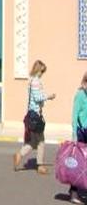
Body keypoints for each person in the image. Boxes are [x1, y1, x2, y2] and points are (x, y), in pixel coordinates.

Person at [14, 59, 56, 174]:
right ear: (38, 70)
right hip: (36, 115)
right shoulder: (36, 81)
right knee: (41, 141)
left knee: (33, 142)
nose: (42, 74)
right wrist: (49, 97)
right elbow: (37, 98)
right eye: (42, 71)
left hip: (31, 114)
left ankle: (19, 154)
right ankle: (40, 166)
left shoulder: (31, 80)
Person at [68, 72, 87, 204]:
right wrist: (74, 135)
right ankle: (74, 193)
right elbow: (74, 116)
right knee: (79, 164)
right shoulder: (80, 95)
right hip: (82, 133)